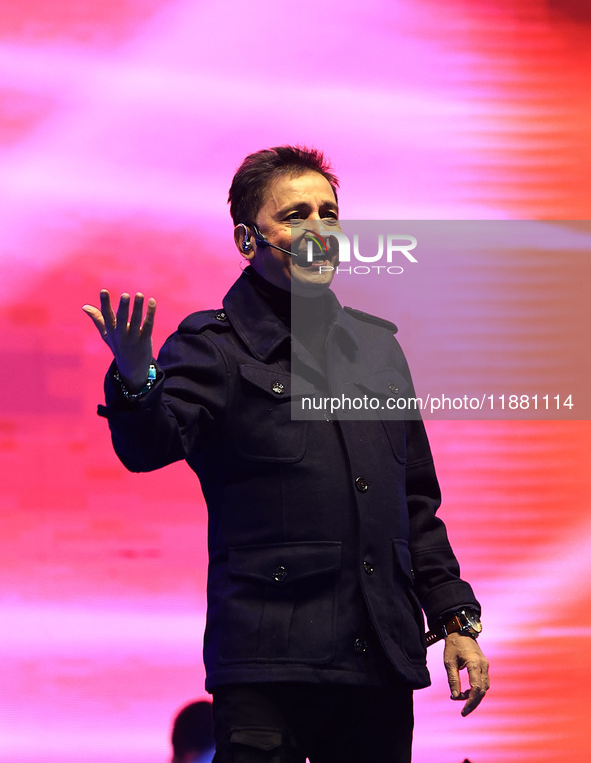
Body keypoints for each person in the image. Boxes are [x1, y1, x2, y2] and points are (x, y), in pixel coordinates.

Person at [83, 146, 489, 763]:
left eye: (329, 213)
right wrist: (138, 380)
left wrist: (455, 619)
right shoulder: (213, 346)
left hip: (377, 661)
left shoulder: (377, 352)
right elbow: (149, 447)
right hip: (268, 663)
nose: (319, 230)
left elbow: (416, 505)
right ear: (249, 239)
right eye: (297, 215)